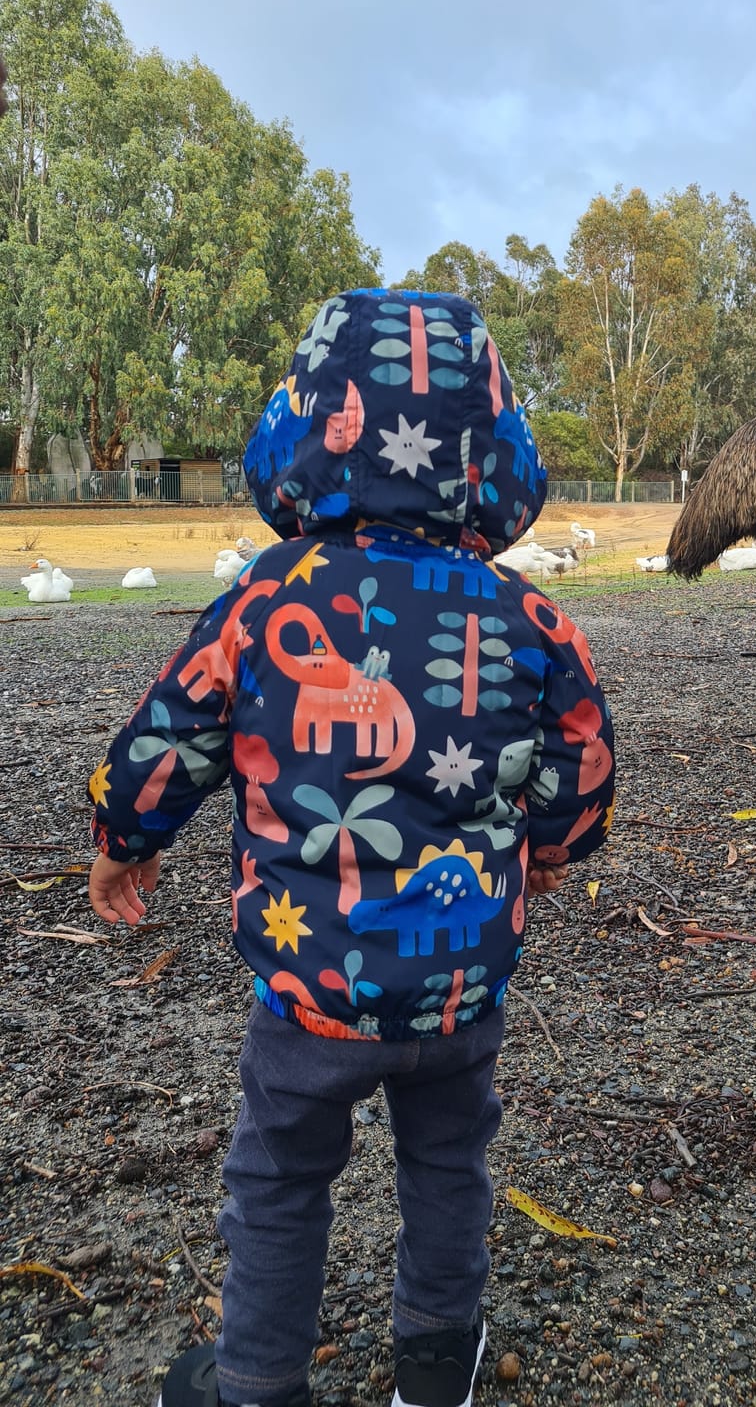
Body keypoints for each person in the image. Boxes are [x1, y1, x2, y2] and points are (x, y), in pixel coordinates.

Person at [87, 289, 615, 1407]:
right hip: (462, 990)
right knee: (448, 1169)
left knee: (277, 1177)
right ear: (491, 448)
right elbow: (584, 742)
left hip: (308, 991)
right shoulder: (527, 617)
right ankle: (434, 1377)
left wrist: (121, 836)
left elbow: (172, 729)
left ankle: (259, 1382)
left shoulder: (265, 598)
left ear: (309, 425)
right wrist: (559, 840)